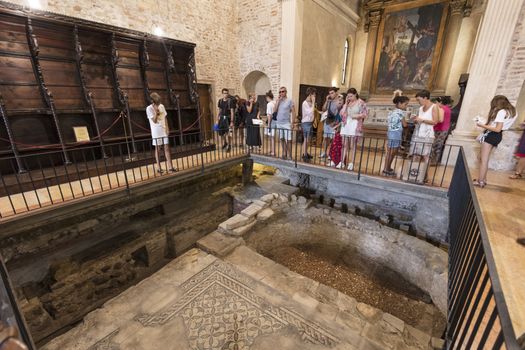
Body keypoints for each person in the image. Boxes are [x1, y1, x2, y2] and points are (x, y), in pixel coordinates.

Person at [474, 95, 517, 187]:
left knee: (483, 160)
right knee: (481, 158)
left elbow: (497, 128)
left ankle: (480, 181)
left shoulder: (502, 111)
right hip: (498, 135)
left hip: (492, 135)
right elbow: (499, 128)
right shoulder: (513, 112)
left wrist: (482, 125)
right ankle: (483, 179)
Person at [408, 90, 439, 183]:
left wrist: (422, 120)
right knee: (416, 154)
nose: (418, 102)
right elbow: (419, 119)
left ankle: (424, 176)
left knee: (426, 156)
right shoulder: (421, 108)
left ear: (425, 98)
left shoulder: (434, 107)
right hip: (417, 133)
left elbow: (435, 121)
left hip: (427, 134)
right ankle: (413, 174)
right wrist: (415, 119)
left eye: (419, 100)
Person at [146, 92, 176, 173]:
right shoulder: (149, 108)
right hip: (156, 131)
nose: (158, 104)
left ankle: (170, 167)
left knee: (167, 148)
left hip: (163, 129)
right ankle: (159, 167)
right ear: (152, 101)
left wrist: (167, 128)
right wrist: (156, 112)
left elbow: (165, 118)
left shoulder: (162, 106)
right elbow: (154, 121)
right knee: (158, 149)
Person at [340, 88, 368, 170]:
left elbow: (365, 114)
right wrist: (345, 103)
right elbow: (341, 113)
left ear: (355, 94)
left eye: (351, 96)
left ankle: (351, 163)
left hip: (355, 124)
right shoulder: (347, 103)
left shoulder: (361, 103)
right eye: (348, 96)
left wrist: (357, 116)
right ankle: (341, 162)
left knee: (352, 145)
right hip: (346, 124)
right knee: (344, 144)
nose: (349, 98)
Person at [383, 91, 409, 176]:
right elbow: (404, 124)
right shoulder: (400, 112)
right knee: (392, 152)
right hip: (396, 134)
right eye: (405, 104)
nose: (406, 106)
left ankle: (387, 167)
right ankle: (387, 169)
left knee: (389, 152)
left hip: (390, 133)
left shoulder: (392, 112)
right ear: (399, 104)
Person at [273, 86, 296, 160]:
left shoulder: (290, 101)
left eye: (282, 91)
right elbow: (274, 110)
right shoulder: (278, 101)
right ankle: (284, 153)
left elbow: (293, 112)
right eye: (280, 92)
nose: (281, 93)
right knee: (282, 139)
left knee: (289, 140)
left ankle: (290, 155)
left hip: (286, 123)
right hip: (279, 123)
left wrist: (292, 123)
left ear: (286, 92)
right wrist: (278, 101)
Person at [431, 96, 452, 165]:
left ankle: (434, 161)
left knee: (436, 145)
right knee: (438, 145)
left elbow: (440, 119)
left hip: (440, 129)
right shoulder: (448, 109)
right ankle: (435, 160)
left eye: (436, 102)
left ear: (441, 102)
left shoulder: (441, 108)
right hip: (445, 129)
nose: (436, 104)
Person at [320, 87, 340, 159]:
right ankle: (324, 152)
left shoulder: (338, 102)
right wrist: (326, 101)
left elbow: (339, 113)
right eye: (329, 93)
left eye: (332, 93)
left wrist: (335, 123)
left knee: (332, 139)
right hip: (327, 121)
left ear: (336, 93)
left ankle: (331, 153)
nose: (331, 95)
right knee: (325, 138)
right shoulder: (329, 101)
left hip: (333, 123)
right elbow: (323, 109)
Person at [216, 88, 234, 152]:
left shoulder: (230, 101)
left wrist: (232, 121)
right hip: (221, 118)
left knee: (229, 133)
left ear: (228, 94)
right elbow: (219, 110)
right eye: (224, 93)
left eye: (226, 93)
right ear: (222, 93)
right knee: (221, 133)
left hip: (228, 119)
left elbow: (232, 111)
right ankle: (225, 142)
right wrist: (217, 119)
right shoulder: (220, 101)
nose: (225, 94)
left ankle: (229, 145)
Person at [301, 87, 316, 162]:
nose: (314, 97)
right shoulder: (305, 103)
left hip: (310, 123)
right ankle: (304, 154)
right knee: (306, 139)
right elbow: (310, 112)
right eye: (314, 95)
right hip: (306, 123)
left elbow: (313, 112)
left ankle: (306, 152)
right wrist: (313, 103)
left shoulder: (310, 103)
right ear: (310, 95)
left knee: (309, 139)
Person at [265, 90, 276, 156]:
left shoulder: (269, 104)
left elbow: (269, 115)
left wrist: (268, 124)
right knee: (272, 137)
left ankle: (273, 151)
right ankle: (272, 150)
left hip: (271, 122)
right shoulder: (275, 102)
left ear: (268, 97)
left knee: (272, 137)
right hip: (275, 121)